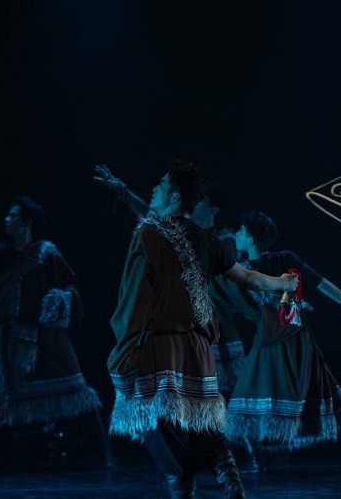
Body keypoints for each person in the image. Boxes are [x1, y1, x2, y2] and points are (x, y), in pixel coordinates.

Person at [97, 160, 298, 498]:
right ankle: (230, 482)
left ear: (176, 197)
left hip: (161, 347)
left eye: (161, 185)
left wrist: (126, 342)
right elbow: (249, 278)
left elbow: (134, 296)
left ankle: (193, 486)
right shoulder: (206, 240)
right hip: (197, 350)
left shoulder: (149, 234)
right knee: (197, 423)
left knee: (163, 428)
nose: (153, 189)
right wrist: (283, 282)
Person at [0, 194, 115, 468]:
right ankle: (3, 456)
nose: (6, 219)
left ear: (27, 222)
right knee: (8, 396)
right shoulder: (2, 254)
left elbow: (71, 286)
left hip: (49, 337)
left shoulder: (47, 254)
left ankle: (105, 454)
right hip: (16, 339)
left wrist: (59, 300)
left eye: (12, 215)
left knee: (77, 391)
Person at [224, 210, 341, 472]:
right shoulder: (240, 269)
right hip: (267, 341)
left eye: (240, 231)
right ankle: (257, 462)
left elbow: (320, 283)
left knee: (322, 395)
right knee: (246, 403)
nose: (236, 234)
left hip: (295, 341)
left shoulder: (284, 260)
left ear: (251, 240)